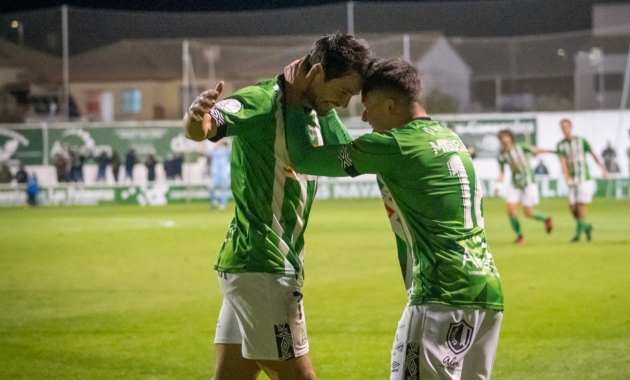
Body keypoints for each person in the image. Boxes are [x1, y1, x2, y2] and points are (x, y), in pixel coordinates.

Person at [285, 58, 504, 380]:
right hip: (485, 294)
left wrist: (293, 99)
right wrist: (328, 110)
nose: (364, 116)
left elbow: (303, 158)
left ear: (390, 105)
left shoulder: (395, 145)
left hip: (441, 293)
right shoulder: (445, 137)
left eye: (367, 106)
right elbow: (351, 149)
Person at [183, 33, 370, 380]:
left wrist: (315, 103)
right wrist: (196, 118)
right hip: (264, 267)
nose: (345, 103)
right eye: (343, 91)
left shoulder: (310, 110)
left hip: (254, 267)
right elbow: (205, 127)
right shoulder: (263, 100)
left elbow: (348, 157)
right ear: (315, 72)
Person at [494, 129, 553, 244]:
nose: (505, 140)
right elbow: (502, 172)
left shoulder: (521, 147)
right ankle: (520, 236)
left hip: (528, 183)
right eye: (502, 138)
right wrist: (498, 185)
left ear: (511, 138)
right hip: (515, 184)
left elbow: (535, 150)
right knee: (511, 210)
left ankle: (546, 218)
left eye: (507, 137)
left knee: (528, 213)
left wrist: (550, 151)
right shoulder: (501, 154)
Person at [555, 119, 608, 243]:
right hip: (572, 180)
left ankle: (577, 236)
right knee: (572, 208)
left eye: (566, 127)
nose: (565, 129)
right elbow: (563, 163)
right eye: (563, 127)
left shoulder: (581, 141)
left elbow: (593, 154)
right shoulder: (560, 145)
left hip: (584, 179)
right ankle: (586, 227)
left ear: (571, 127)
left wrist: (602, 168)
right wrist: (567, 177)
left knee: (580, 205)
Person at [209, 141, 231, 210]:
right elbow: (206, 152)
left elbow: (230, 147)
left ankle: (223, 204)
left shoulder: (225, 150)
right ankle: (215, 201)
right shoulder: (214, 151)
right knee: (211, 187)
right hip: (215, 173)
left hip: (223, 173)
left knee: (224, 188)